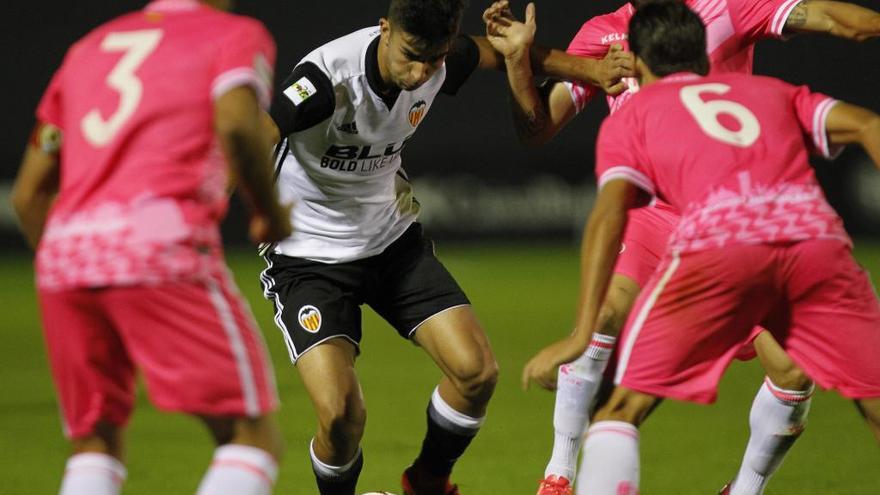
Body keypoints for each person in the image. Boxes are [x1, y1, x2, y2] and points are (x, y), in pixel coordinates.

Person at [485, 0, 880, 492]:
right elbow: (539, 127)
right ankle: (560, 474)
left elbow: (827, 16)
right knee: (612, 321)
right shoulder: (609, 36)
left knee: (788, 372)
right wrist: (519, 63)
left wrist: (577, 331)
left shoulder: (726, 10)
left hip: (727, 222)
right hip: (673, 220)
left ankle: (743, 488)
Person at [258, 1, 634, 494]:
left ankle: (427, 482)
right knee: (341, 416)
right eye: (410, 56)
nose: (419, 73)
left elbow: (499, 54)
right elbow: (254, 134)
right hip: (308, 258)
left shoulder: (438, 57)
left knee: (476, 373)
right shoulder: (326, 81)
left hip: (391, 242)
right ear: (384, 29)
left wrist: (590, 69)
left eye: (433, 61)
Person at [10, 1, 291, 494]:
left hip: (66, 253)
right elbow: (237, 123)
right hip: (154, 237)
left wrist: (79, 261)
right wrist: (267, 208)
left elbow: (28, 194)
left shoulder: (89, 47)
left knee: (95, 443)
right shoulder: (233, 34)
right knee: (250, 437)